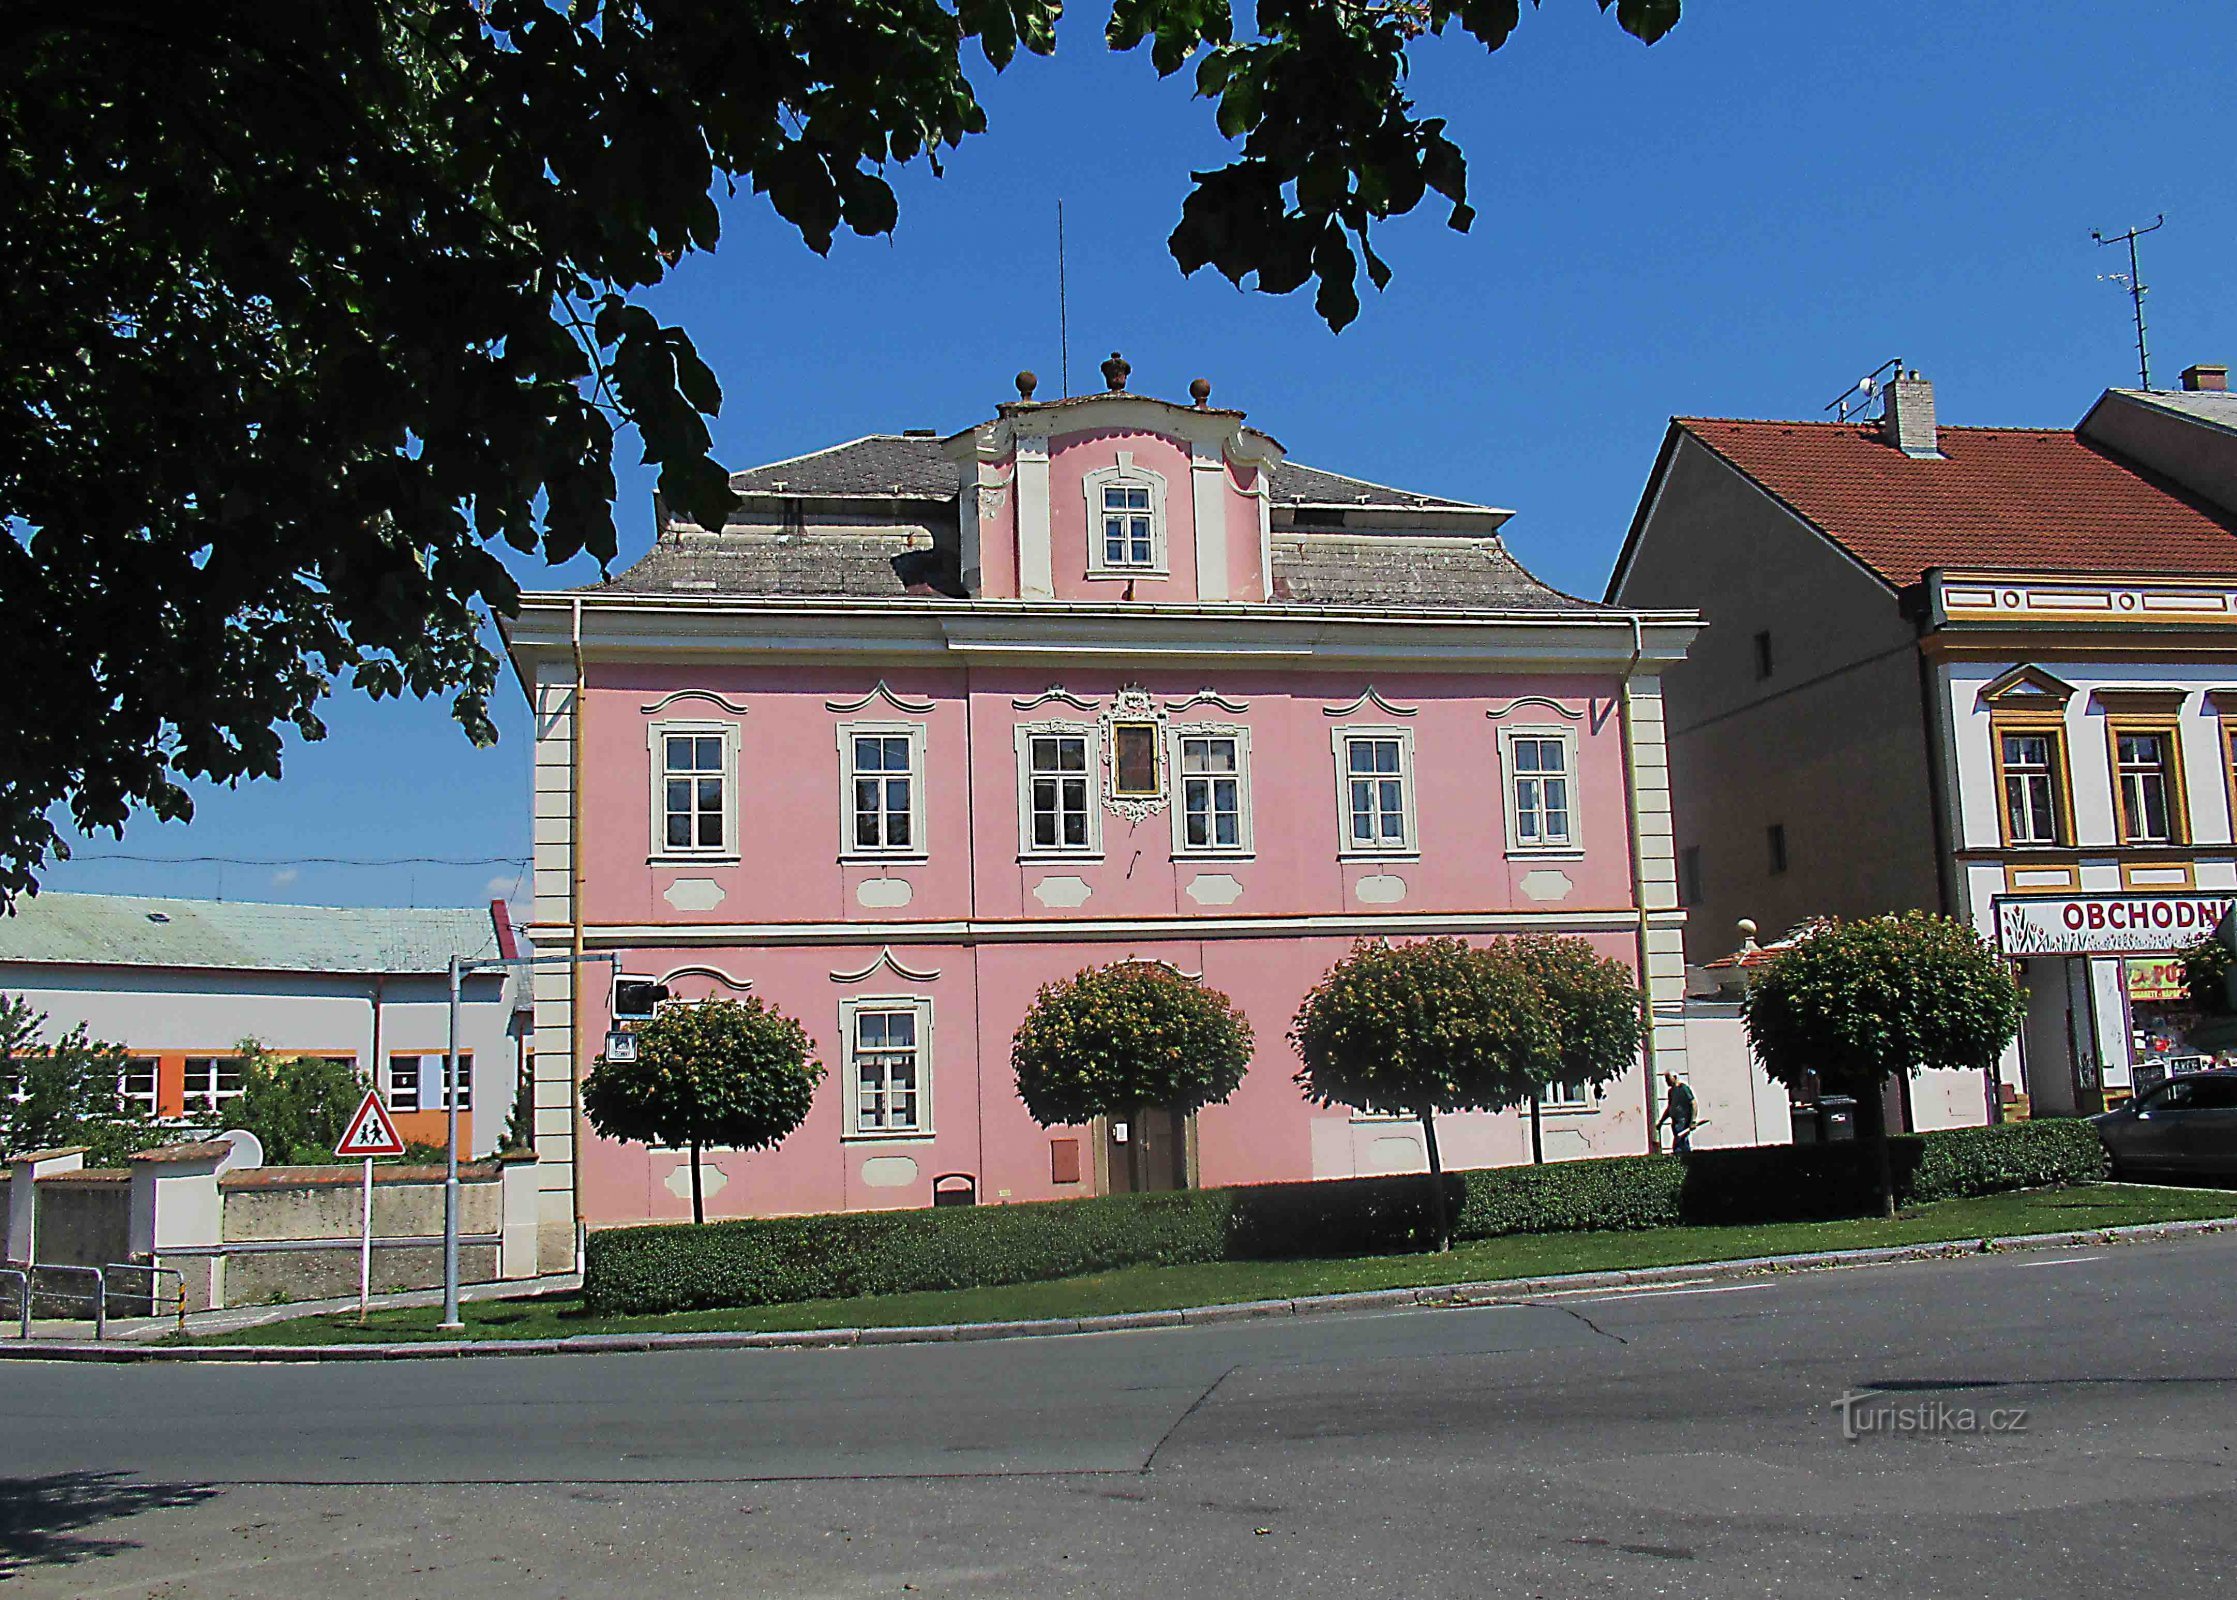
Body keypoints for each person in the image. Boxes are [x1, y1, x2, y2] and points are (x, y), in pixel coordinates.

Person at [1657, 1072, 1698, 1155]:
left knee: (1680, 1144)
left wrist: (1693, 1121)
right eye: (1666, 1080)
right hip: (1675, 1122)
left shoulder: (1683, 1088)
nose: (1667, 1082)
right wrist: (1661, 1121)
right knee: (1680, 1143)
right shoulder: (1671, 1092)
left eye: (1668, 1079)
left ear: (1675, 1077)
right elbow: (1670, 1108)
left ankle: (1682, 1160)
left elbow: (1693, 1103)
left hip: (1683, 1121)